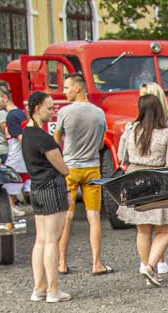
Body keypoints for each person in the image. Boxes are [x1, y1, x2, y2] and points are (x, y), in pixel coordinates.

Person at [117, 94, 168, 287]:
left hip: (135, 179)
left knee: (143, 230)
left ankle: (147, 267)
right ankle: (151, 266)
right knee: (165, 229)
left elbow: (121, 156)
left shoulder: (130, 129)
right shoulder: (166, 133)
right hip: (158, 180)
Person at [54, 75, 111, 277]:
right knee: (93, 216)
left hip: (70, 168)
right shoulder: (99, 113)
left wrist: (67, 149)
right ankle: (96, 263)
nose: (64, 91)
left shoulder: (64, 112)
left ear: (78, 88)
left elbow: (57, 138)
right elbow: (102, 142)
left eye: (67, 87)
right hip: (92, 167)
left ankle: (61, 262)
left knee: (67, 217)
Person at [21, 91, 71, 303]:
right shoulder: (44, 139)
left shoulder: (27, 135)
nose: (53, 112)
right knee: (52, 240)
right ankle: (53, 289)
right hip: (52, 188)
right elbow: (63, 168)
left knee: (40, 240)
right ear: (37, 108)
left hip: (37, 188)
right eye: (49, 108)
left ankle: (39, 288)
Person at [0, 87, 29, 204]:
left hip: (17, 159)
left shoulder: (12, 116)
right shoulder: (19, 113)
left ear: (5, 98)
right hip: (21, 158)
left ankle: (10, 210)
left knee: (11, 185)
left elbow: (21, 138)